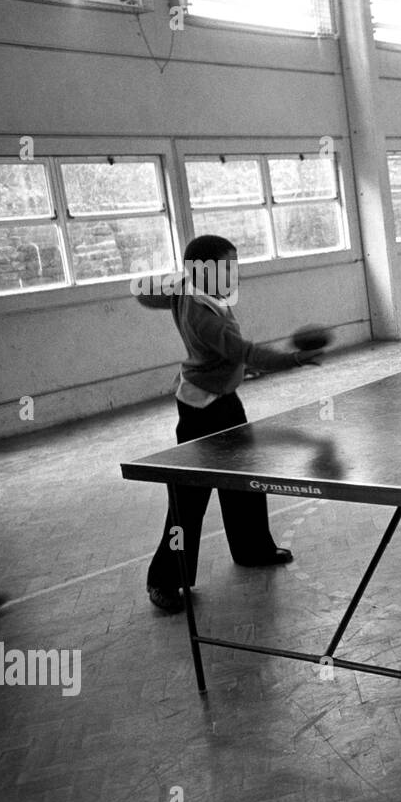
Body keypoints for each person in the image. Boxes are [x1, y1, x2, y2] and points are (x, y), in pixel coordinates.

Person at [137, 235, 324, 614]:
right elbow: (246, 353)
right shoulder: (202, 317)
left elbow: (143, 293)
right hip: (200, 411)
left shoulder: (193, 293)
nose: (234, 274)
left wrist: (179, 282)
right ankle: (162, 579)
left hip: (225, 401)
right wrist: (294, 361)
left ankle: (253, 548)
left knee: (245, 475)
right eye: (226, 267)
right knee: (189, 498)